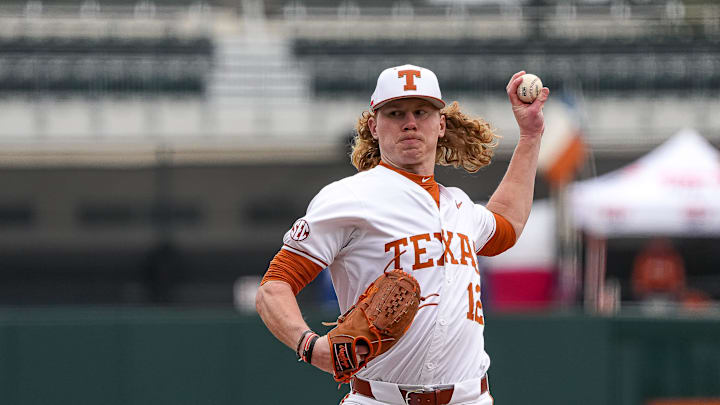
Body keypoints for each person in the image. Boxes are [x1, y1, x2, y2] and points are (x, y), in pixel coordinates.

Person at [255, 64, 549, 405]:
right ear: (374, 126)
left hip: (470, 398)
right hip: (379, 399)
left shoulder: (459, 206)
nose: (410, 122)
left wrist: (530, 137)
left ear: (440, 124)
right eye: (395, 113)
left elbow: (507, 225)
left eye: (421, 112)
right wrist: (309, 345)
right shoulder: (349, 198)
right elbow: (273, 287)